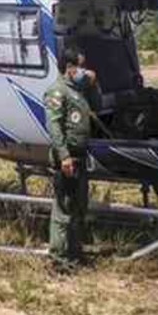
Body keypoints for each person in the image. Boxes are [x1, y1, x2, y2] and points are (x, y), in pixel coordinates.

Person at [44, 46, 100, 271]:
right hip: (67, 159)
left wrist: (94, 83)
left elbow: (97, 104)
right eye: (81, 66)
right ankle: (58, 258)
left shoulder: (78, 89)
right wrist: (64, 156)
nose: (83, 70)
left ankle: (74, 253)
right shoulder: (58, 92)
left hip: (80, 156)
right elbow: (55, 126)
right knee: (64, 209)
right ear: (69, 68)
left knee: (79, 207)